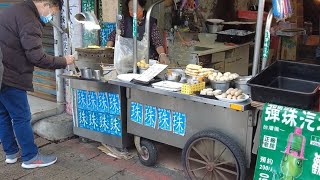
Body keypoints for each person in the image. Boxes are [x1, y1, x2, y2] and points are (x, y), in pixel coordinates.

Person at [0, 0, 75, 169]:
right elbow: (37, 57)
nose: (51, 16)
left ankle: (11, 153)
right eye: (53, 12)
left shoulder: (16, 9)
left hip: (2, 71)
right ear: (48, 4)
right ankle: (31, 157)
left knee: (3, 114)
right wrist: (64, 60)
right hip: (11, 75)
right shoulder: (29, 19)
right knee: (21, 117)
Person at [107, 0, 170, 64]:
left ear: (142, 8)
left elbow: (157, 42)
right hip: (127, 62)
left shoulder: (150, 22)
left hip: (146, 61)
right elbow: (112, 36)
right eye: (131, 9)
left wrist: (162, 54)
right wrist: (108, 51)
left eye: (135, 9)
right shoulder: (124, 21)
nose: (133, 12)